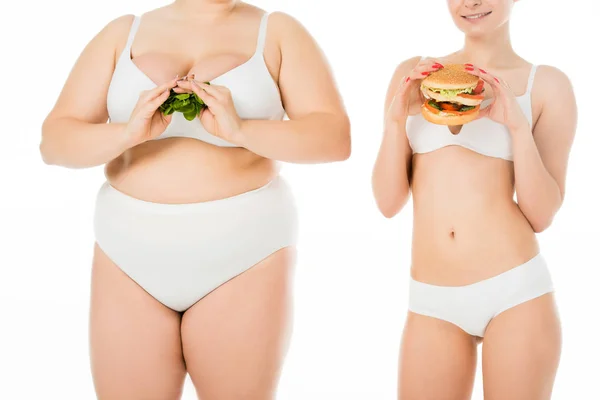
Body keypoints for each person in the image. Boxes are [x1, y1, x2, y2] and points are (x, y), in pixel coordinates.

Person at [40, 1, 350, 398]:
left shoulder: (278, 31)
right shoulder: (123, 32)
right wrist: (127, 133)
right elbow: (55, 142)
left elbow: (333, 138)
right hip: (128, 256)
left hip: (244, 254)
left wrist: (241, 130)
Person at [372, 0, 576, 399]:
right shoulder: (414, 74)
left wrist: (516, 126)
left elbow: (542, 214)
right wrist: (396, 121)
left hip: (515, 292)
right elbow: (387, 201)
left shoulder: (545, 84)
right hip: (431, 300)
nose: (470, 2)